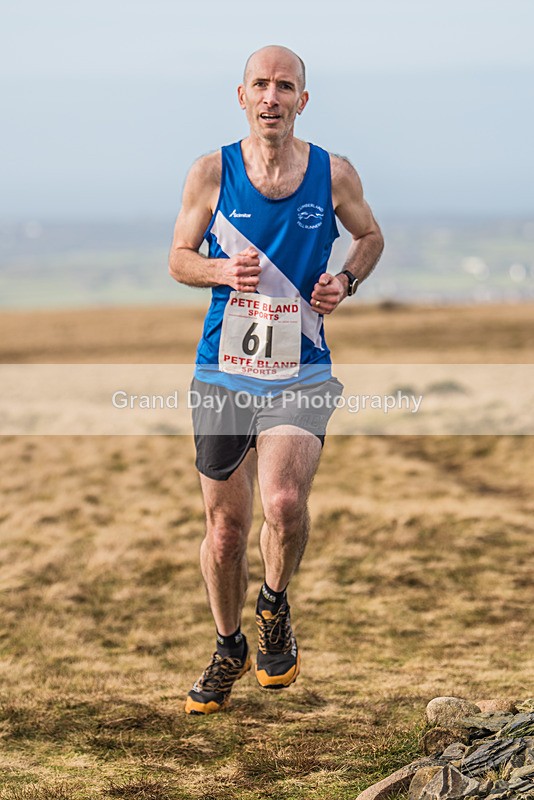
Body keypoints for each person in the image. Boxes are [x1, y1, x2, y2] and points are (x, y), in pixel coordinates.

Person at [169, 45, 384, 715]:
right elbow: (178, 257)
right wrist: (215, 271)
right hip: (223, 372)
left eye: (283, 86)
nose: (271, 96)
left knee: (284, 505)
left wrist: (344, 279)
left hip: (300, 371)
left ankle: (273, 606)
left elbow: (370, 236)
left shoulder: (333, 173)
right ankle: (228, 643)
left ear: (301, 100)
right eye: (260, 84)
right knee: (226, 532)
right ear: (242, 96)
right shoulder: (211, 172)